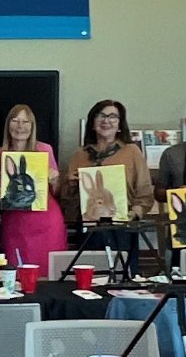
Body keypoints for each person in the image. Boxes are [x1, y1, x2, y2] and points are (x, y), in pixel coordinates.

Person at [64, 100, 155, 253]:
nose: (106, 121)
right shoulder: (80, 155)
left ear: (120, 125)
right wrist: (70, 185)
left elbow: (145, 193)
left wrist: (134, 213)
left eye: (113, 116)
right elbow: (67, 202)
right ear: (92, 123)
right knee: (91, 267)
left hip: (122, 228)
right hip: (89, 230)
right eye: (101, 116)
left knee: (122, 267)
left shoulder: (132, 152)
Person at [0, 105, 66, 273]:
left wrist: (54, 179)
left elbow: (57, 192)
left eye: (25, 122)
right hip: (15, 223)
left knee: (48, 272)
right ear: (8, 124)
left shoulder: (45, 150)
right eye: (15, 120)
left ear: (32, 126)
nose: (20, 126)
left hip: (46, 221)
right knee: (15, 272)